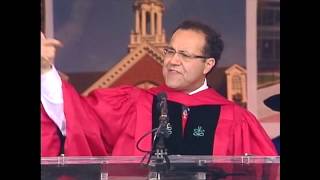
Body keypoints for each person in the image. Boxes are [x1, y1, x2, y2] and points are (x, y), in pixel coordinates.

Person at [41, 20, 277, 157]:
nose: (173, 60)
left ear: (208, 64)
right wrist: (45, 71)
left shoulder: (237, 120)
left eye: (184, 55)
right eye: (170, 51)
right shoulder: (133, 105)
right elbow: (76, 119)